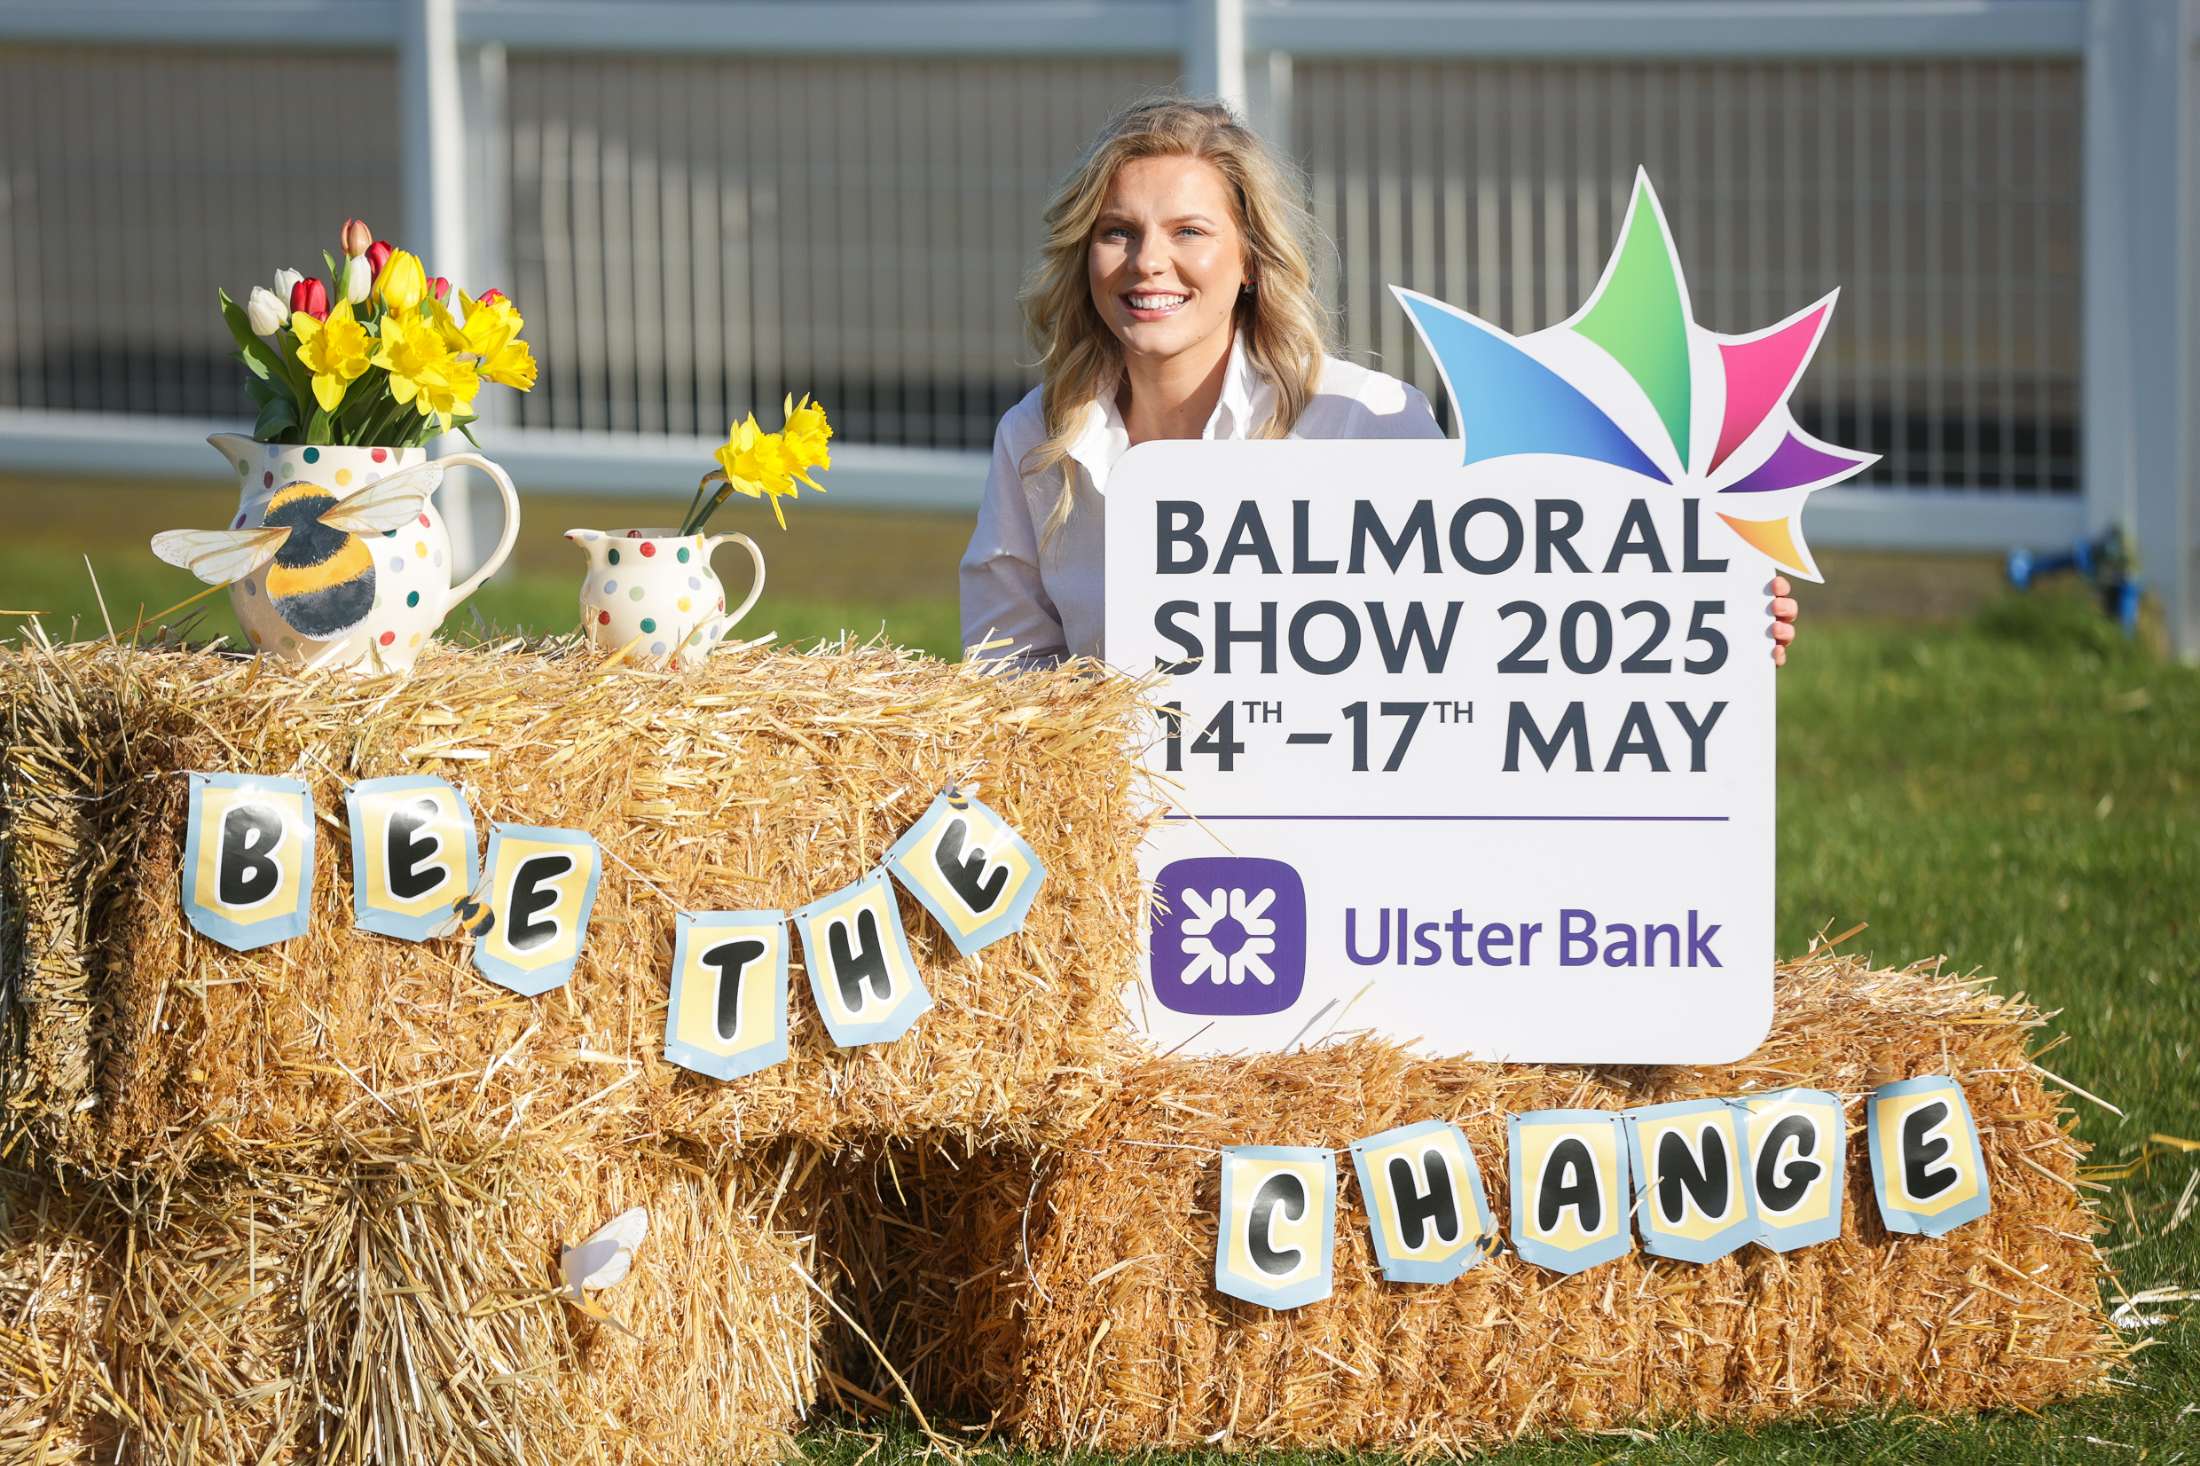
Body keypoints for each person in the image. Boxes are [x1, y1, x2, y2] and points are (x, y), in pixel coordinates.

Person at [959, 96, 1799, 668]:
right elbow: (1009, 676)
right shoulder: (1037, 439)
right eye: (1117, 232)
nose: (1149, 264)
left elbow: (1492, 628)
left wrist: (1704, 619)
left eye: (1189, 231)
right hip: (1122, 846)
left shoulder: (1366, 421)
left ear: (1249, 262)